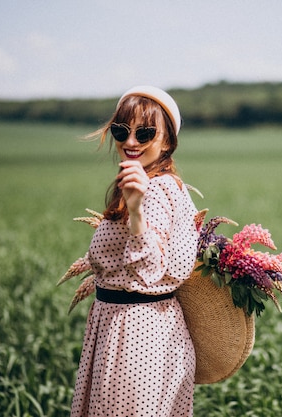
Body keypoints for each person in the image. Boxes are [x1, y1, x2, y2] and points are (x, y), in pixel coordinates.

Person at [71, 86, 199, 416]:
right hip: (152, 333)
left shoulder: (152, 191)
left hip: (134, 339)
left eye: (144, 133)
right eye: (120, 130)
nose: (130, 142)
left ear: (167, 141)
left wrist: (137, 211)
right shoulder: (167, 184)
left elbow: (149, 270)